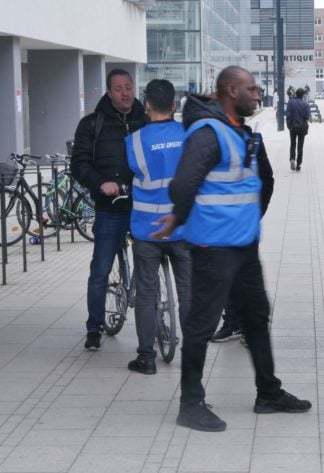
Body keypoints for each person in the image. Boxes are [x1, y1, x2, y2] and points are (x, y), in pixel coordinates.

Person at [151, 66, 311, 432]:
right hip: (214, 246)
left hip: (242, 246)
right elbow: (182, 185)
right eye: (252, 89)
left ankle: (268, 392)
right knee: (202, 324)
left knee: (256, 316)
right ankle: (190, 403)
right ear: (230, 89)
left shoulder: (236, 130)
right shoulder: (209, 134)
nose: (258, 95)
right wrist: (179, 217)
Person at [71, 68, 147, 350]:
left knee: (150, 264)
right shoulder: (92, 124)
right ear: (108, 92)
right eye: (118, 88)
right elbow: (78, 164)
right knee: (101, 269)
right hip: (110, 207)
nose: (125, 93)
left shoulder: (146, 120)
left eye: (128, 86)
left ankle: (155, 321)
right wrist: (100, 182)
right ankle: (94, 327)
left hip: (143, 206)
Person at [124, 79, 191, 374]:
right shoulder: (189, 135)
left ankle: (146, 358)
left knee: (147, 293)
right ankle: (193, 354)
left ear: (147, 104)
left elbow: (131, 173)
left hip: (146, 229)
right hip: (183, 227)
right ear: (174, 105)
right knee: (189, 291)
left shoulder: (134, 141)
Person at [286, 88, 310, 171]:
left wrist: (289, 126)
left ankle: (292, 158)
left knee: (292, 144)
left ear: (296, 94)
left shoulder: (290, 102)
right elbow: (307, 117)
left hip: (293, 127)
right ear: (303, 95)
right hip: (302, 127)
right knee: (300, 146)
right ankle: (298, 164)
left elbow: (288, 115)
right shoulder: (305, 104)